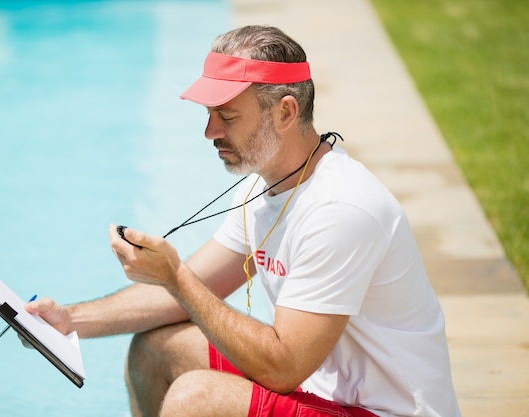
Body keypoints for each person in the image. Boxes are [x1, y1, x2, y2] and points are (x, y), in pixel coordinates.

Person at [26, 25, 460, 417]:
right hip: (323, 394)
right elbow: (190, 291)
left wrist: (175, 275)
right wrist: (69, 320)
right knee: (155, 350)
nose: (210, 131)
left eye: (228, 116)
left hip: (384, 412)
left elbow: (283, 365)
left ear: (286, 113)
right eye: (210, 114)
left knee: (196, 398)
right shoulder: (261, 189)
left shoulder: (341, 210)